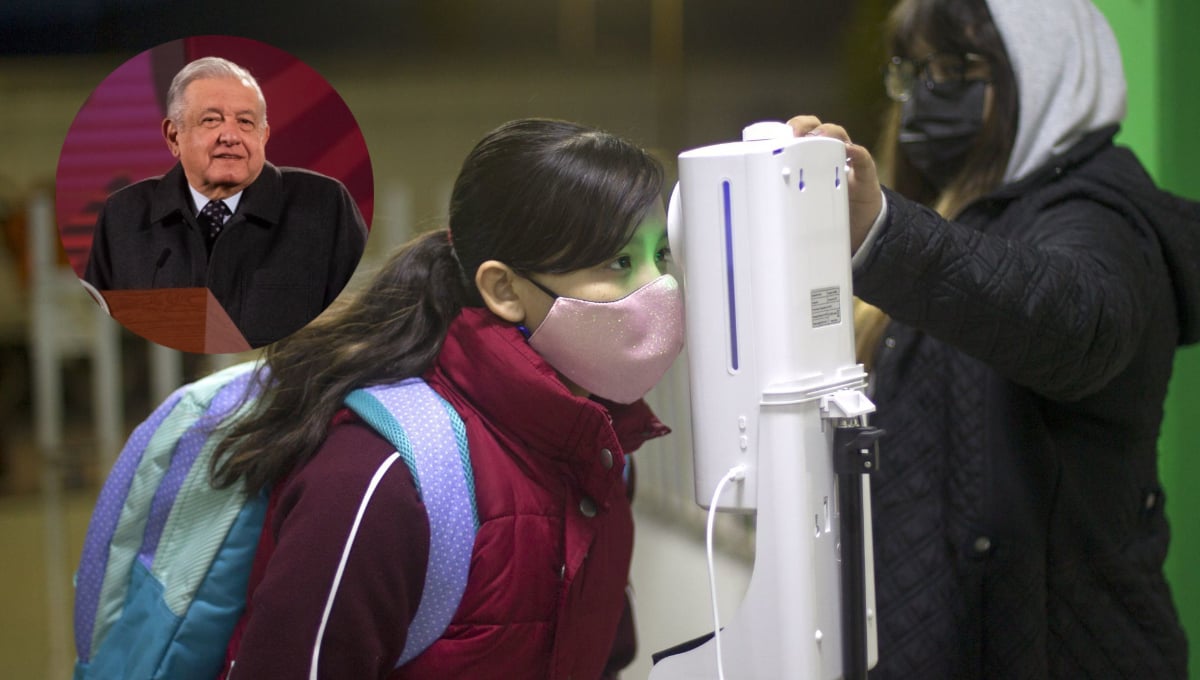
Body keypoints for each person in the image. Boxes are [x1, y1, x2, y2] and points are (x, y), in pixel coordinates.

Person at [789, 0, 1197, 676]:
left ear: (1045, 70)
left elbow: (1073, 323)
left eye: (952, 68)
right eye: (914, 70)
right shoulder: (969, 208)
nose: (924, 93)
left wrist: (885, 233)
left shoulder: (1097, 216)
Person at [208, 118, 682, 679]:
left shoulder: (601, 453)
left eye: (662, 256)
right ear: (504, 289)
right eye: (619, 262)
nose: (660, 289)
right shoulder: (385, 475)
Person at [82, 56, 368, 348]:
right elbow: (103, 334)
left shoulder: (324, 205)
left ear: (263, 136)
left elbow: (357, 321)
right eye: (211, 120)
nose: (230, 136)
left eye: (245, 122)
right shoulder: (124, 215)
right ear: (173, 136)